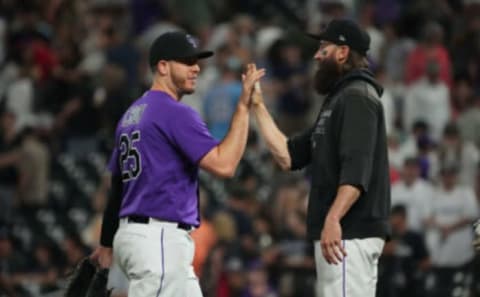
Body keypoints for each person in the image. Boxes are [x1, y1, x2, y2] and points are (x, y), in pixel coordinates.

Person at [89, 31, 265, 297]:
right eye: (186, 61)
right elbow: (225, 165)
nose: (195, 68)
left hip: (140, 237)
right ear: (162, 66)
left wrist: (106, 243)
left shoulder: (131, 114)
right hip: (158, 239)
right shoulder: (173, 112)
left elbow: (118, 186)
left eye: (196, 62)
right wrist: (242, 108)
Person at [251, 19, 390, 297]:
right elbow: (289, 155)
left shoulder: (357, 96)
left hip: (348, 233)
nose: (316, 55)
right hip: (342, 235)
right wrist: (256, 105)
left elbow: (356, 169)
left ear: (342, 52)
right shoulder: (340, 98)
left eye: (323, 48)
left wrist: (333, 218)